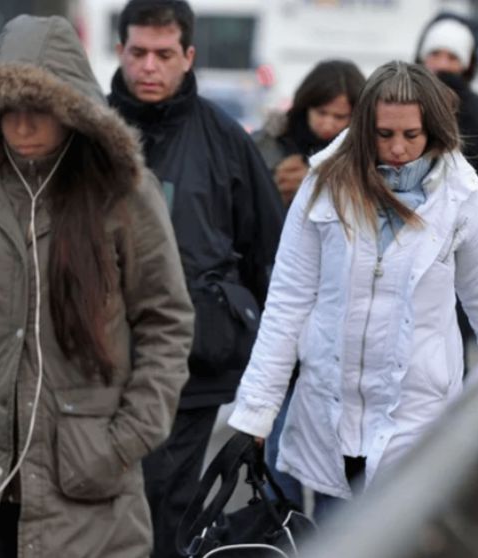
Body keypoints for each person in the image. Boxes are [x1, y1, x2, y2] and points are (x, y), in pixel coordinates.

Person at [0, 15, 194, 558]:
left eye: (40, 110)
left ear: (72, 109)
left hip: (85, 487)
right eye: (10, 110)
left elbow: (166, 321)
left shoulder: (122, 194)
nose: (24, 126)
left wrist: (125, 439)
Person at [228, 61, 478, 506]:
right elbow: (287, 302)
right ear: (366, 128)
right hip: (329, 421)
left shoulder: (463, 195)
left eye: (411, 135)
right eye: (384, 135)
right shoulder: (323, 184)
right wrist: (255, 414)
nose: (398, 148)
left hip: (417, 422)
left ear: (434, 130)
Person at [107, 1, 285, 556]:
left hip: (192, 366)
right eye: (138, 53)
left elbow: (269, 256)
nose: (149, 67)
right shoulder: (89, 134)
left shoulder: (225, 139)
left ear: (188, 56)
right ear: (120, 52)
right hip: (98, 366)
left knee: (168, 509)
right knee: (104, 508)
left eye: (164, 54)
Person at [251, 58, 366, 513]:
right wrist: (277, 196)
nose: (329, 126)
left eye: (342, 118)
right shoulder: (269, 148)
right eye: (322, 114)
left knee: (343, 469)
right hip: (279, 319)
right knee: (280, 460)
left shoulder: (369, 160)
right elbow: (248, 229)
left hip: (344, 335)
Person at [414, 12, 478, 240]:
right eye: (435, 54)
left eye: (452, 57)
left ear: (466, 65)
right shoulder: (400, 101)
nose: (442, 64)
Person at [252, 59, 366, 208]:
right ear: (305, 106)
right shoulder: (267, 143)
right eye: (321, 113)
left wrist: (315, 186)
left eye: (339, 116)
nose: (327, 124)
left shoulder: (366, 154)